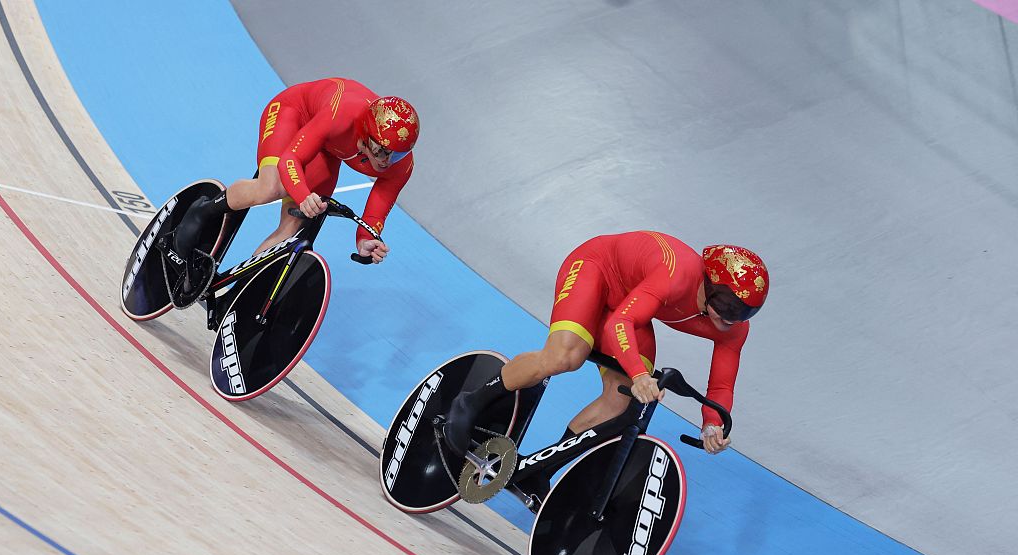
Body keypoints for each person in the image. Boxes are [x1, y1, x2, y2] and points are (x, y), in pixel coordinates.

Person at [443, 231, 769, 500]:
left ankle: (540, 470)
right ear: (708, 283)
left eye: (743, 311)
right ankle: (470, 400)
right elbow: (621, 325)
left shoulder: (733, 328)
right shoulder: (675, 277)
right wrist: (640, 375)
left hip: (630, 305)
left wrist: (713, 424)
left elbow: (722, 386)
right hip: (596, 270)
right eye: (726, 303)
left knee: (623, 401)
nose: (729, 317)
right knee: (565, 357)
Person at [173, 77, 419, 292]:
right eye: (381, 151)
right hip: (294, 113)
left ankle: (241, 291)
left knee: (292, 231)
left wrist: (365, 239)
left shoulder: (401, 165)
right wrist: (302, 194)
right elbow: (291, 159)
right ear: (365, 134)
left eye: (396, 155)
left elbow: (377, 208)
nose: (387, 161)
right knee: (271, 187)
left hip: (328, 147)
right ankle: (202, 210)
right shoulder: (341, 114)